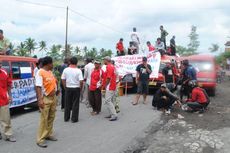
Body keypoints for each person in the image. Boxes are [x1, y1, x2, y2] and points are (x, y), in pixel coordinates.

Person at [35, 56, 59, 148]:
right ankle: (40, 139)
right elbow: (38, 87)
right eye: (52, 63)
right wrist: (40, 100)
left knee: (51, 117)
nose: (53, 65)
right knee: (44, 119)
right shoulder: (40, 72)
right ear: (48, 64)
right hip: (45, 98)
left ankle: (48, 134)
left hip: (53, 98)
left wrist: (57, 90)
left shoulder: (50, 72)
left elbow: (53, 82)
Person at [61, 57, 83, 123]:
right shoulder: (78, 70)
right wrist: (80, 88)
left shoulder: (66, 70)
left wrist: (65, 87)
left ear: (70, 62)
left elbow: (63, 79)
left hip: (68, 88)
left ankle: (66, 118)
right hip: (76, 88)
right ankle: (74, 119)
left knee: (67, 103)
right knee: (75, 103)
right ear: (77, 63)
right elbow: (81, 81)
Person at [0, 60, 16, 142]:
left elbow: (9, 85)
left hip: (3, 100)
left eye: (0, 64)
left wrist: (10, 96)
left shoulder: (4, 73)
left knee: (6, 119)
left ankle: (8, 135)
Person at [102, 56, 118, 121]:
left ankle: (114, 115)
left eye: (104, 60)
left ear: (106, 60)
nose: (103, 61)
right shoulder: (112, 66)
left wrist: (105, 85)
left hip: (110, 86)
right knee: (110, 100)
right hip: (112, 85)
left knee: (107, 100)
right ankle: (111, 113)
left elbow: (108, 78)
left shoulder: (109, 67)